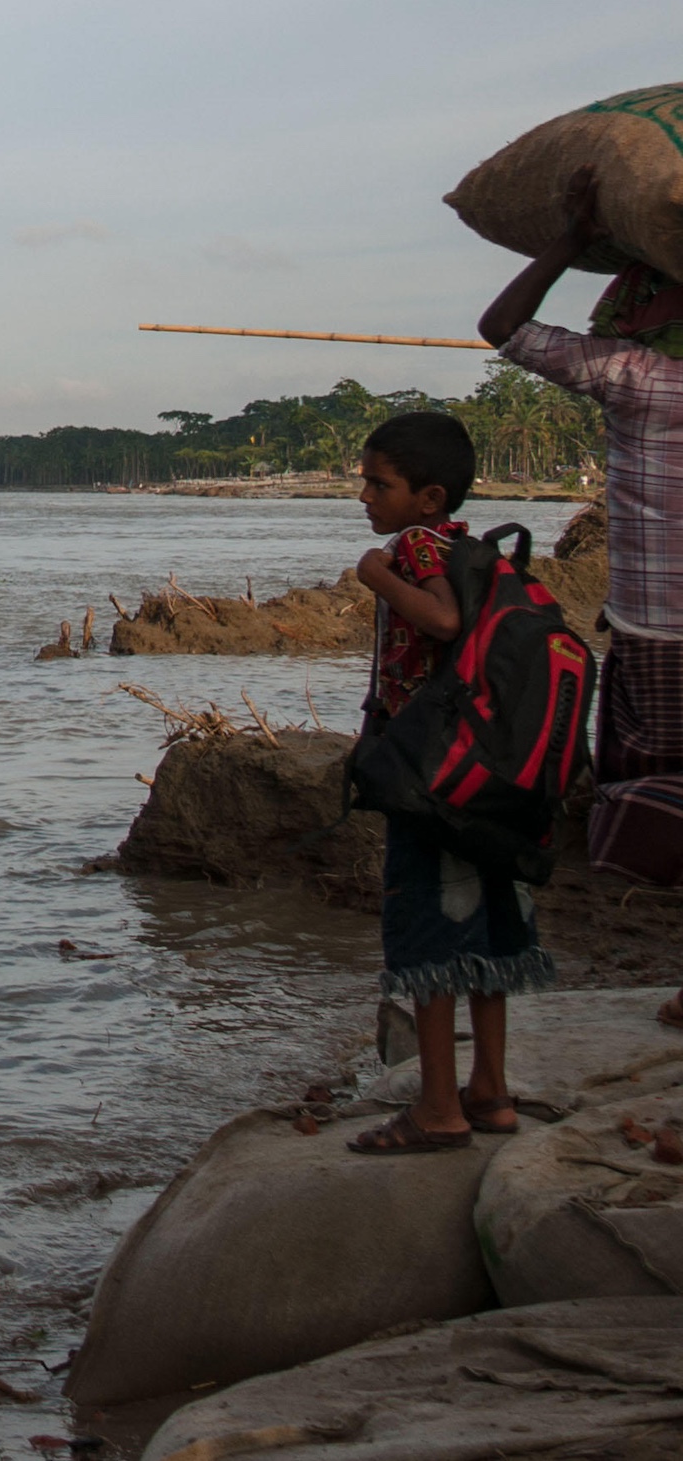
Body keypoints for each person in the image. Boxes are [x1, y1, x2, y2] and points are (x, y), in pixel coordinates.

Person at [475, 164, 683, 1032]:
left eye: (638, 295)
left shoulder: (637, 379)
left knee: (660, 804)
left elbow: (503, 326)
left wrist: (568, 237)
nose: (621, 307)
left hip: (661, 635)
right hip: (654, 627)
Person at [342, 411, 554, 1154]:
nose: (364, 495)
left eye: (378, 482)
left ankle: (437, 1105)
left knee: (432, 938)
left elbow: (440, 619)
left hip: (431, 778)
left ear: (428, 498)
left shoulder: (418, 543)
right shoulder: (474, 547)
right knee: (488, 938)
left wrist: (375, 571)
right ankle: (489, 1089)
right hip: (481, 772)